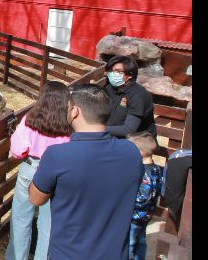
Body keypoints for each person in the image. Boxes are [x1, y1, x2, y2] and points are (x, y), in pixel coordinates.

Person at [30, 84, 143, 260]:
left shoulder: (57, 155)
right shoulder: (132, 152)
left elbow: (36, 198)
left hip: (67, 254)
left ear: (74, 112)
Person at [6, 81, 71, 260]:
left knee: (20, 218)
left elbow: (17, 151)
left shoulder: (31, 118)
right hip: (57, 173)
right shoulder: (68, 124)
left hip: (31, 168)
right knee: (48, 224)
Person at [126, 131, 163, 260]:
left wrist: (126, 201)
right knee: (141, 240)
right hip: (147, 214)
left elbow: (142, 198)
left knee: (130, 243)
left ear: (140, 152)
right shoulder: (157, 169)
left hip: (135, 216)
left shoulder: (143, 172)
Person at [104, 55, 156, 138]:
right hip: (112, 137)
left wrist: (99, 129)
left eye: (118, 71)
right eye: (111, 71)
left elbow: (129, 129)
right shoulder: (109, 88)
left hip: (138, 141)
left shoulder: (138, 95)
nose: (113, 74)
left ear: (130, 75)